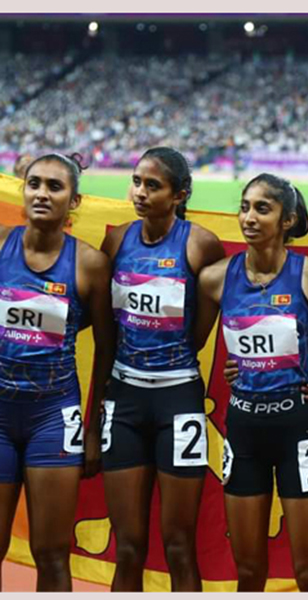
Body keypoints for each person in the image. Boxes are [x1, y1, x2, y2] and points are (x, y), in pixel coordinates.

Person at [195, 173, 308, 592]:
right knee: (248, 571)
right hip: (242, 431)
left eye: (263, 208)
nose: (249, 217)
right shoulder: (216, 279)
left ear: (287, 219)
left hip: (296, 429)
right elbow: (193, 344)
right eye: (245, 207)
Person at [99, 147, 225, 591]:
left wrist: (171, 364)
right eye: (137, 181)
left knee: (177, 543)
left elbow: (202, 330)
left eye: (153, 185)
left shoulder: (200, 244)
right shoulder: (117, 241)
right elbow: (105, 329)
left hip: (179, 401)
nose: (140, 192)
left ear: (179, 195)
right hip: (125, 399)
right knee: (128, 545)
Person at [0, 153, 113, 590]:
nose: (42, 194)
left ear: (74, 201)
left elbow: (105, 348)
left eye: (54, 186)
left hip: (53, 415)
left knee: (50, 552)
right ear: (22, 189)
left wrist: (91, 428)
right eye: (34, 184)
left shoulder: (89, 265)